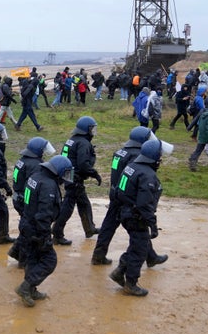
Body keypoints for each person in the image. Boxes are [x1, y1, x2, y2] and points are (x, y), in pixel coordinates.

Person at [91, 127, 167, 266]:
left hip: (116, 193)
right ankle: (149, 257)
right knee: (139, 230)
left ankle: (99, 255)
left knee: (109, 226)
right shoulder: (136, 155)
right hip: (126, 198)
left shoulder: (121, 151)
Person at [109, 139, 173, 296]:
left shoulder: (131, 167)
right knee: (139, 251)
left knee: (136, 246)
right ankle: (131, 283)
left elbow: (119, 191)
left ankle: (119, 271)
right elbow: (144, 204)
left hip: (125, 213)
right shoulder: (148, 175)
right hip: (136, 217)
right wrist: (153, 224)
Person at [14, 155, 74, 307]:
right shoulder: (49, 186)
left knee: (33, 258)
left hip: (27, 224)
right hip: (36, 229)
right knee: (49, 260)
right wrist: (45, 237)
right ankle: (26, 287)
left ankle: (31, 289)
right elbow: (44, 215)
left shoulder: (36, 176)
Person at [51, 116, 101, 245]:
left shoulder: (72, 140)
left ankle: (89, 228)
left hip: (68, 173)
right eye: (92, 129)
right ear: (86, 129)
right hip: (74, 176)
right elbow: (83, 164)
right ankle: (57, 232)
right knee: (68, 205)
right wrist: (94, 173)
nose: (93, 131)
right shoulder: (83, 143)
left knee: (83, 203)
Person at [8, 137, 56, 267]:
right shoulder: (35, 165)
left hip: (19, 197)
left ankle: (16, 251)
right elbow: (35, 185)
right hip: (25, 200)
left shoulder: (24, 160)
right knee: (28, 230)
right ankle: (23, 261)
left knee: (25, 227)